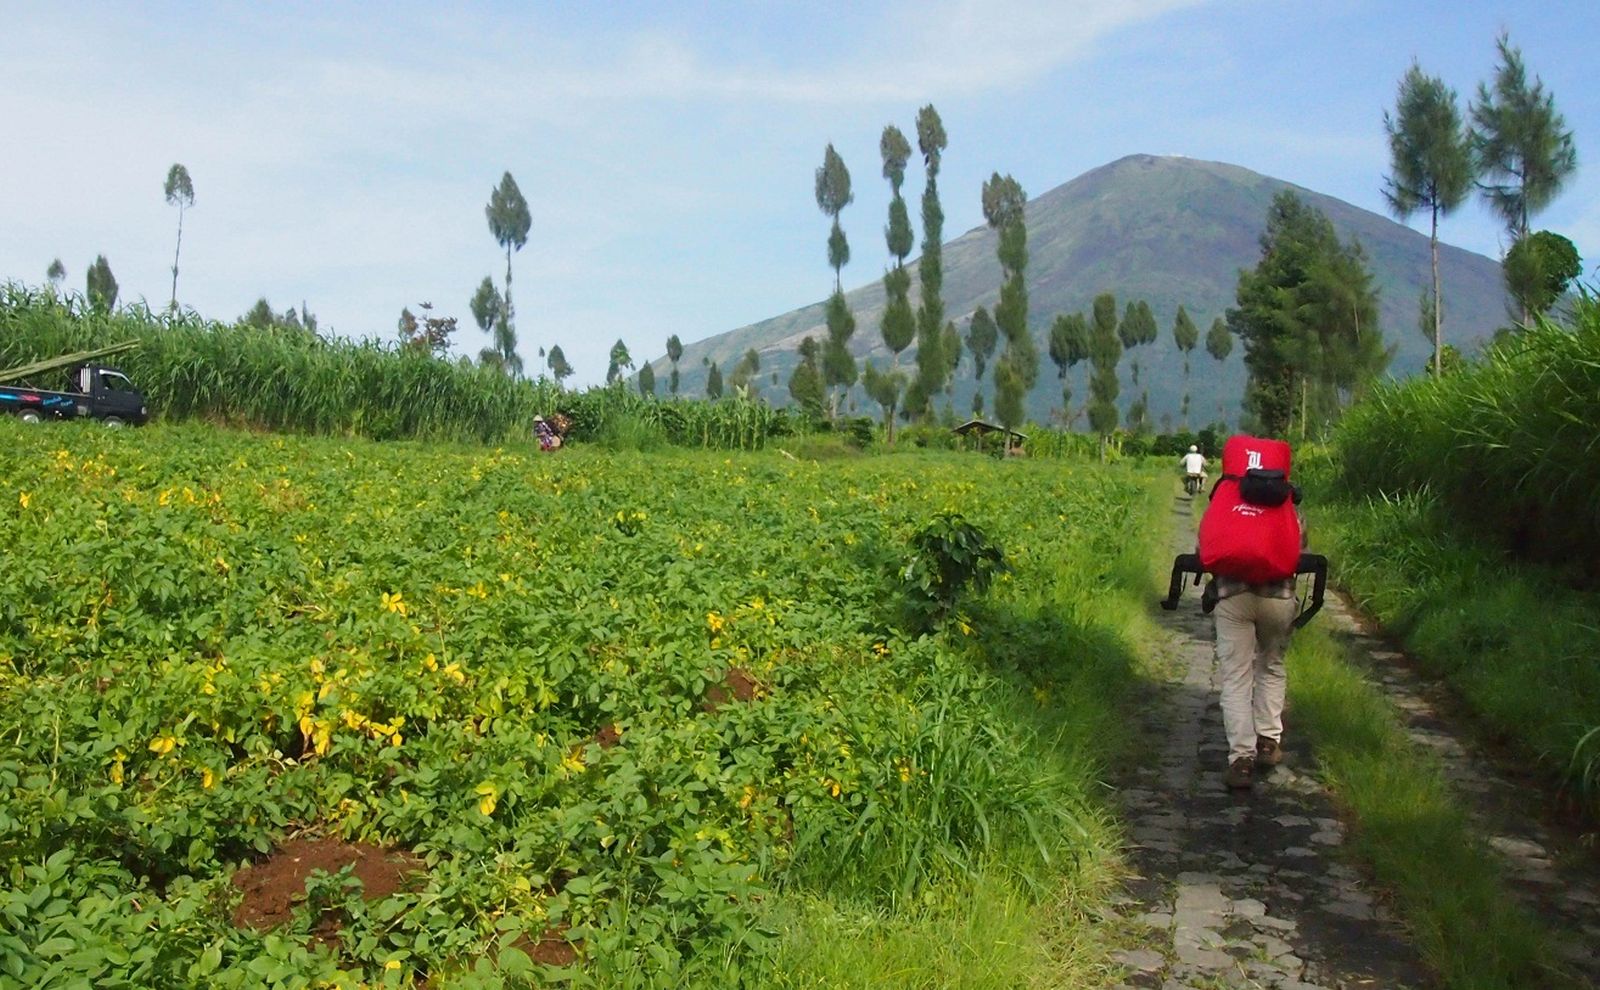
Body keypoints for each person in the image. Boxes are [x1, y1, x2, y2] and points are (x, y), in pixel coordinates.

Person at [1210, 501, 1306, 790]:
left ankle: (1241, 760)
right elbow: (1299, 554)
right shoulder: (1289, 508)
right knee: (1272, 665)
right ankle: (1268, 742)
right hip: (1278, 597)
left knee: (1236, 677)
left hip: (1233, 596)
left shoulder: (1227, 504)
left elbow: (1207, 552)